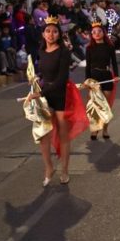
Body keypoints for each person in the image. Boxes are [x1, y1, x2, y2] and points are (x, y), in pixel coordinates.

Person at [36, 18, 77, 185]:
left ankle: (65, 169)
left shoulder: (63, 52)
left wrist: (42, 92)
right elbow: (43, 74)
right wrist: (37, 82)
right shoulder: (41, 51)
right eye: (48, 31)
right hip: (45, 96)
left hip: (60, 95)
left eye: (54, 31)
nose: (51, 34)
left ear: (59, 34)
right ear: (43, 34)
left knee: (63, 134)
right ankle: (49, 167)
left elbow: (61, 79)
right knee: (43, 134)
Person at [85, 22, 119, 139]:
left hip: (106, 76)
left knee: (106, 106)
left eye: (99, 31)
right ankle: (94, 130)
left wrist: (116, 75)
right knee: (94, 105)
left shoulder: (109, 47)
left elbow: (114, 62)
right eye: (94, 32)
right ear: (91, 35)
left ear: (103, 33)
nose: (97, 33)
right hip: (94, 78)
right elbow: (87, 66)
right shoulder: (89, 48)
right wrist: (87, 81)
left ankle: (105, 129)